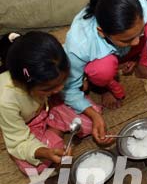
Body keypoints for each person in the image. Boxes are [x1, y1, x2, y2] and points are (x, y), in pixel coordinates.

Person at [63, 0, 147, 143]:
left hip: (125, 53)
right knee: (102, 70)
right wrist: (94, 116)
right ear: (102, 32)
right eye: (127, 39)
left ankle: (143, 66)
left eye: (139, 33)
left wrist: (140, 59)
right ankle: (103, 87)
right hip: (102, 61)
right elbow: (69, 90)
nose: (136, 42)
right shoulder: (79, 44)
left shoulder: (137, 8)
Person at [0, 32, 95, 174]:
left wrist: (82, 82)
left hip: (49, 104)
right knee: (34, 167)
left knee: (89, 123)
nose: (60, 88)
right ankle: (53, 131)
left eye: (62, 81)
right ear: (23, 85)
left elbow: (69, 84)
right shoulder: (6, 100)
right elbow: (18, 140)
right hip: (29, 122)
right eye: (49, 88)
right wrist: (43, 152)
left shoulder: (55, 62)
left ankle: (52, 130)